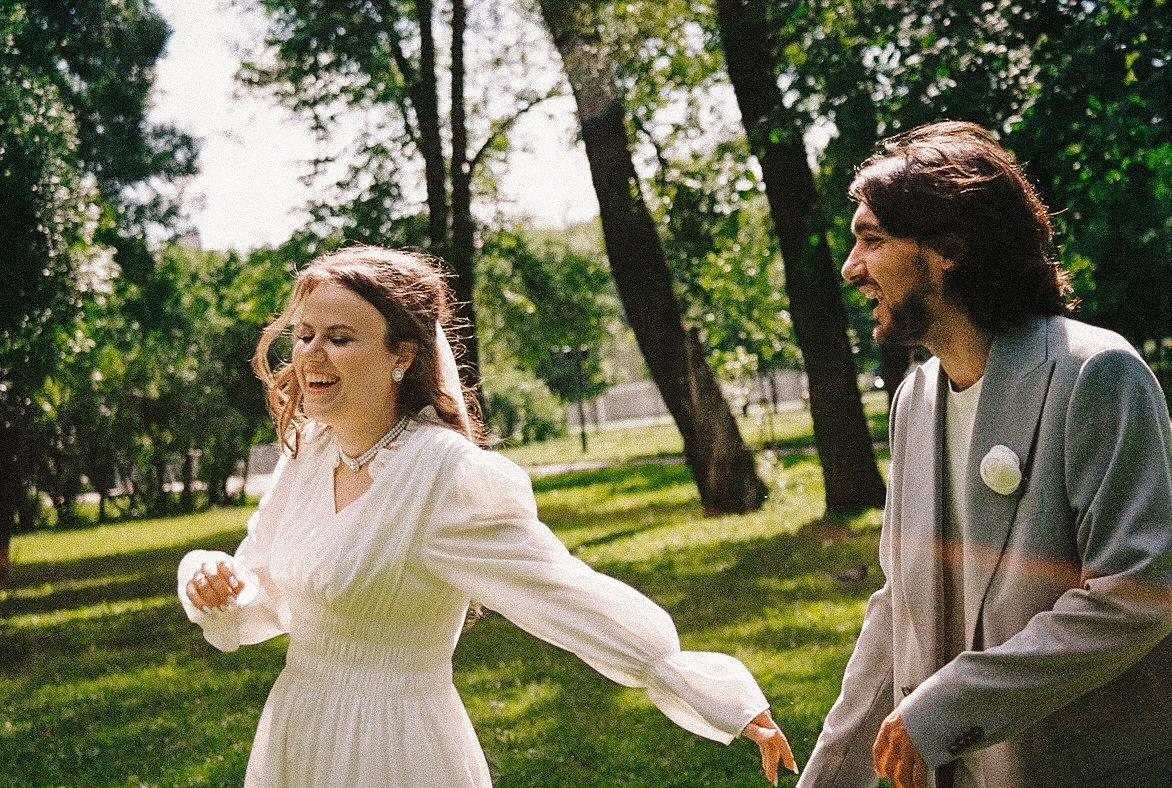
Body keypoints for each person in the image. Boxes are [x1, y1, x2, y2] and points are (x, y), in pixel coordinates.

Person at [178, 246, 798, 787]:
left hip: (393, 746)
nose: (312, 354)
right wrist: (213, 579)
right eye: (306, 334)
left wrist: (700, 685)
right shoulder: (308, 452)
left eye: (341, 337)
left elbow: (560, 590)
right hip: (297, 729)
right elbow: (257, 579)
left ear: (402, 356)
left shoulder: (445, 477)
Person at [798, 121, 1172, 788]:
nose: (853, 268)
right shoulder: (913, 400)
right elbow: (896, 612)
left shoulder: (1098, 373)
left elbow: (1138, 593)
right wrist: (830, 776)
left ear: (950, 249)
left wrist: (948, 704)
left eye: (873, 240)